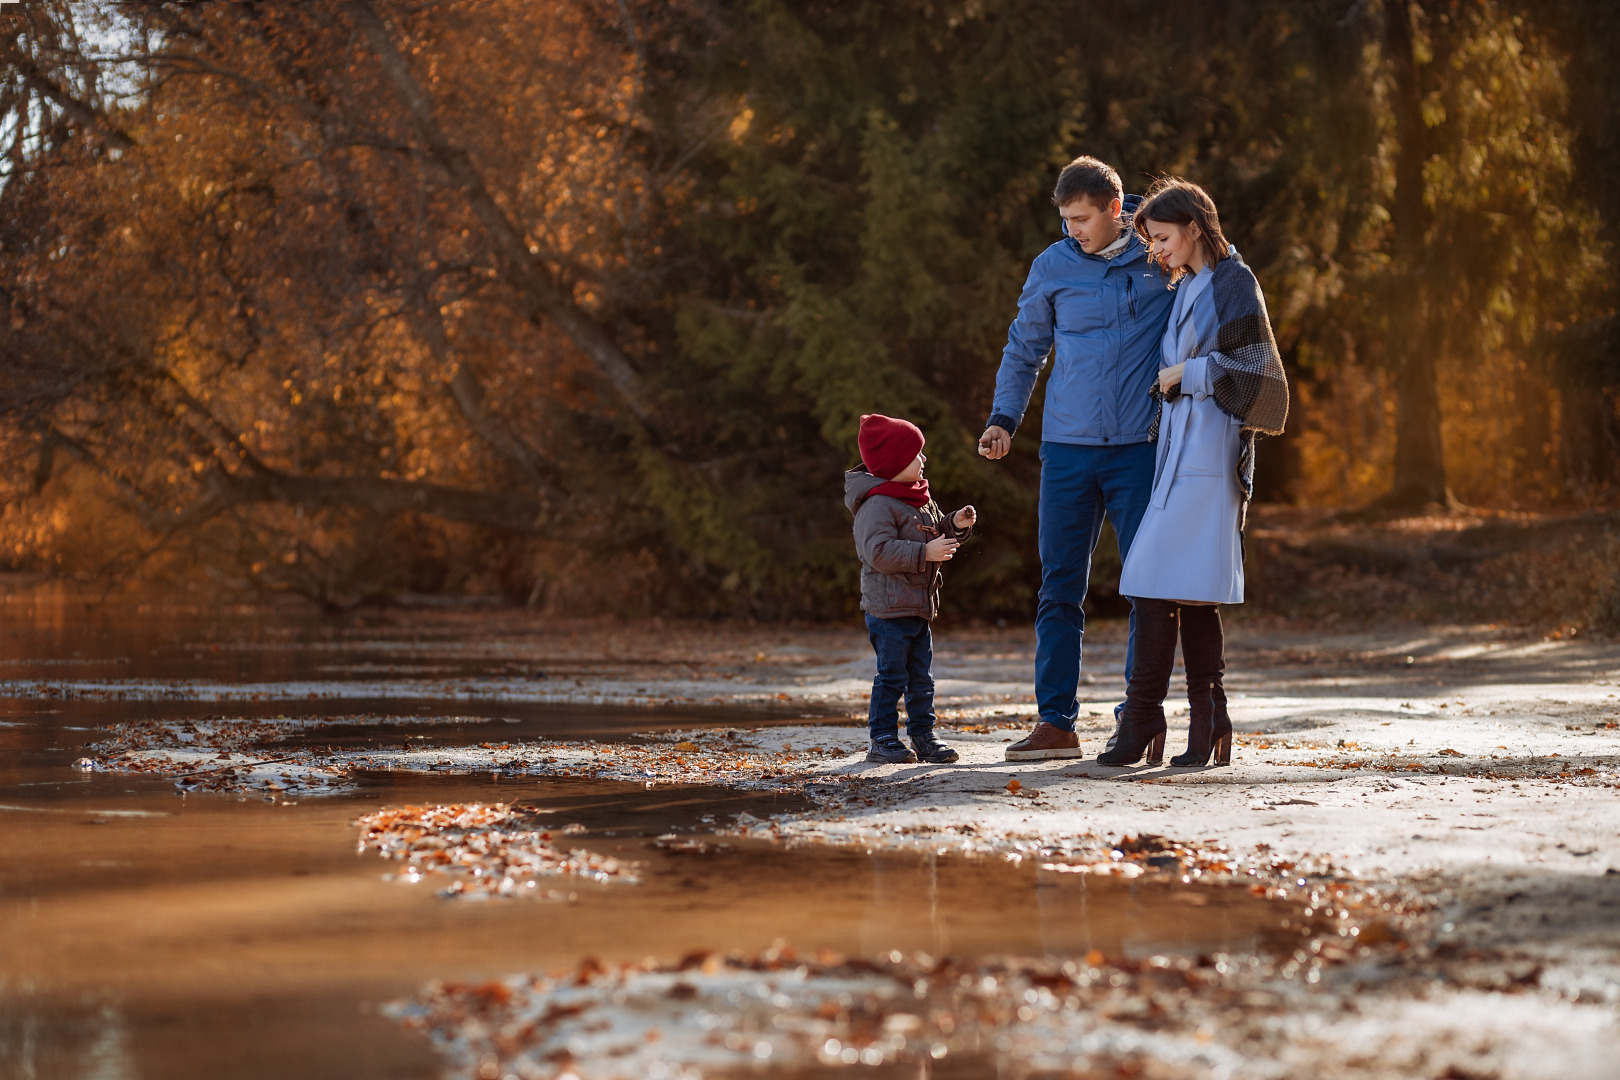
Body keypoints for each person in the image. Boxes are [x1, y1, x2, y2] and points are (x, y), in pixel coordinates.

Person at [978, 156, 1176, 761]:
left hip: (1137, 450)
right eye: (1065, 219)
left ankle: (1138, 717)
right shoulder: (1053, 265)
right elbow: (1024, 346)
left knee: (1146, 586)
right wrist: (1003, 418)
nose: (1072, 230)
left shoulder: (1158, 255)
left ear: (1116, 210)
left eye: (1082, 219)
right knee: (1059, 586)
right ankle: (1056, 723)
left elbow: (1217, 264)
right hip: (1066, 449)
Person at [1098, 178, 1289, 768]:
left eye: (1161, 236)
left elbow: (1261, 376)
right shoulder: (1183, 287)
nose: (1156, 249)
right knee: (1181, 592)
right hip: (1175, 457)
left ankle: (1146, 720)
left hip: (1212, 456)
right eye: (1150, 240)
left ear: (1193, 226)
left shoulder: (1235, 280)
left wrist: (1189, 373)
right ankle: (1206, 720)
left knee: (1156, 583)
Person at [845, 413, 977, 765]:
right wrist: (923, 553)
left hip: (918, 606)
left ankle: (924, 735)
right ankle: (883, 738)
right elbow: (877, 552)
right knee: (892, 676)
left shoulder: (917, 497)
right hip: (888, 609)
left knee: (922, 678)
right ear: (894, 462)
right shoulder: (876, 505)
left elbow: (933, 534)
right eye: (916, 454)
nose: (923, 460)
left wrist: (954, 525)